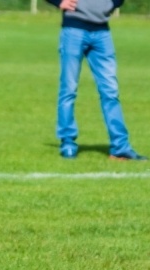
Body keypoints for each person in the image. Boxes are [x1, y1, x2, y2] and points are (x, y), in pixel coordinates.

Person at [47, 0, 146, 160]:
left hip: (102, 33)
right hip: (73, 30)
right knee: (69, 89)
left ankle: (120, 148)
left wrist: (111, 4)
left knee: (111, 92)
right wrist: (58, 2)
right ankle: (68, 144)